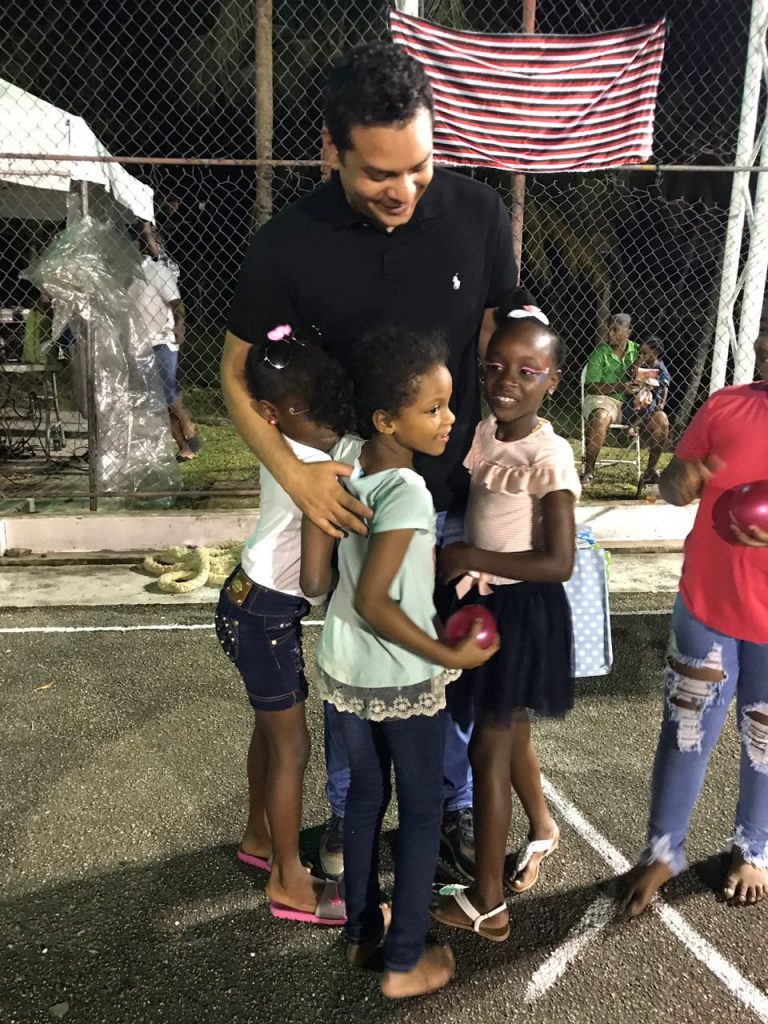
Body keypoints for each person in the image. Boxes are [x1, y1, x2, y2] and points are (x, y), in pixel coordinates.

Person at [222, 42, 517, 880]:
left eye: (419, 167)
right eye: (379, 174)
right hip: (353, 501)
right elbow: (234, 375)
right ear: (332, 151)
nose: (404, 189)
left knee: (448, 665)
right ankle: (359, 828)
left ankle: (450, 815)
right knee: (362, 671)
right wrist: (298, 476)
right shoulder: (289, 242)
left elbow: (502, 326)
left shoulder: (478, 214)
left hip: (452, 492)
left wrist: (521, 441)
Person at [300, 329, 499, 998]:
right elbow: (377, 600)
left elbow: (314, 579)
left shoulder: (345, 457)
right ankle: (406, 957)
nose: (449, 420)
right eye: (434, 409)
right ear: (388, 419)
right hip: (400, 674)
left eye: (449, 405)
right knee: (418, 810)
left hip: (344, 667)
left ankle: (361, 933)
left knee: (363, 795)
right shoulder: (409, 491)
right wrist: (450, 653)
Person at [430, 291, 579, 940]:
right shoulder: (486, 431)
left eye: (527, 371)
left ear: (553, 379)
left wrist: (468, 551)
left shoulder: (550, 456)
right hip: (484, 602)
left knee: (490, 750)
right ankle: (540, 828)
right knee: (508, 730)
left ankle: (487, 901)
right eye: (494, 366)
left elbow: (559, 561)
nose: (506, 382)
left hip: (521, 611)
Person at [619, 332, 768, 916]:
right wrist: (679, 482)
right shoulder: (726, 404)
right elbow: (674, 483)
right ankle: (663, 850)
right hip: (707, 605)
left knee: (764, 737)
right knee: (686, 729)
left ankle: (753, 848)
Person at [214, 323, 357, 925]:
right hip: (268, 615)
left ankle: (259, 838)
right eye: (307, 411)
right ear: (270, 413)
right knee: (292, 748)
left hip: (242, 600)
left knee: (269, 735)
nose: (323, 422)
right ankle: (289, 883)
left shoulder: (286, 449)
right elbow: (316, 583)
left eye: (325, 406)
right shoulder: (318, 467)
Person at [129, 226, 200, 462]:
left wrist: (179, 326)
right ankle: (184, 447)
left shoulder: (158, 270)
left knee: (168, 391)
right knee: (159, 400)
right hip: (140, 342)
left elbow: (177, 303)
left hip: (162, 338)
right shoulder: (128, 275)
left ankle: (189, 425)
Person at [581, 312, 668, 488]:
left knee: (662, 421)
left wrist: (650, 386)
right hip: (605, 399)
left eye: (615, 330)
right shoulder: (601, 352)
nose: (610, 334)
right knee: (601, 416)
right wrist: (620, 386)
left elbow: (658, 371)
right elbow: (590, 386)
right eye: (608, 330)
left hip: (635, 403)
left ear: (628, 331)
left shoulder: (640, 350)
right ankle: (589, 471)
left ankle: (650, 472)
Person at [622, 337, 671, 438]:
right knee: (627, 405)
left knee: (650, 406)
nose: (642, 356)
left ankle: (633, 426)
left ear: (655, 353)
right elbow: (629, 374)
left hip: (651, 397)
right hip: (636, 395)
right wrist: (636, 366)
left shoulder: (660, 368)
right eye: (640, 353)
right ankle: (628, 422)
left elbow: (665, 387)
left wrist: (662, 403)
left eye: (645, 353)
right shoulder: (640, 363)